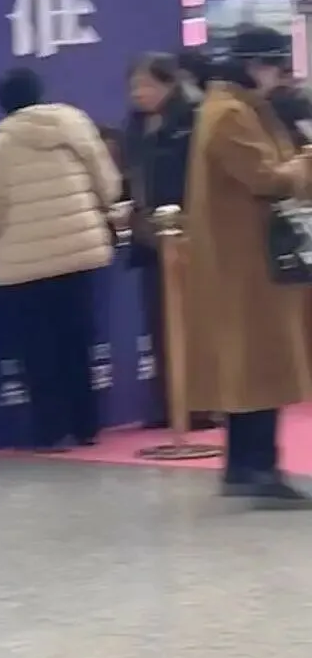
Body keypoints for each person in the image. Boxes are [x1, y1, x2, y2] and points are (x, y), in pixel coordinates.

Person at [185, 25, 312, 506]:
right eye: (276, 66)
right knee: (261, 363)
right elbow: (265, 178)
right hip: (247, 259)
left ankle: (244, 465)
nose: (280, 77)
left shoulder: (232, 108)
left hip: (247, 254)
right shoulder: (231, 114)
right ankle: (257, 467)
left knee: (250, 364)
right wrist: (306, 163)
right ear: (255, 65)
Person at [0, 68, 119, 451]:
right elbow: (109, 185)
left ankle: (51, 432)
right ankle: (87, 426)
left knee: (38, 349)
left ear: (1, 104)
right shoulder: (75, 124)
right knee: (77, 341)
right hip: (79, 252)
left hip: (25, 263)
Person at [123, 52, 203, 430]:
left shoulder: (191, 119)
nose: (139, 93)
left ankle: (198, 403)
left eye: (146, 85)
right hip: (149, 237)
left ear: (169, 83)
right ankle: (167, 402)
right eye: (133, 86)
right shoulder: (135, 126)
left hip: (187, 234)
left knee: (191, 322)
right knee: (157, 320)